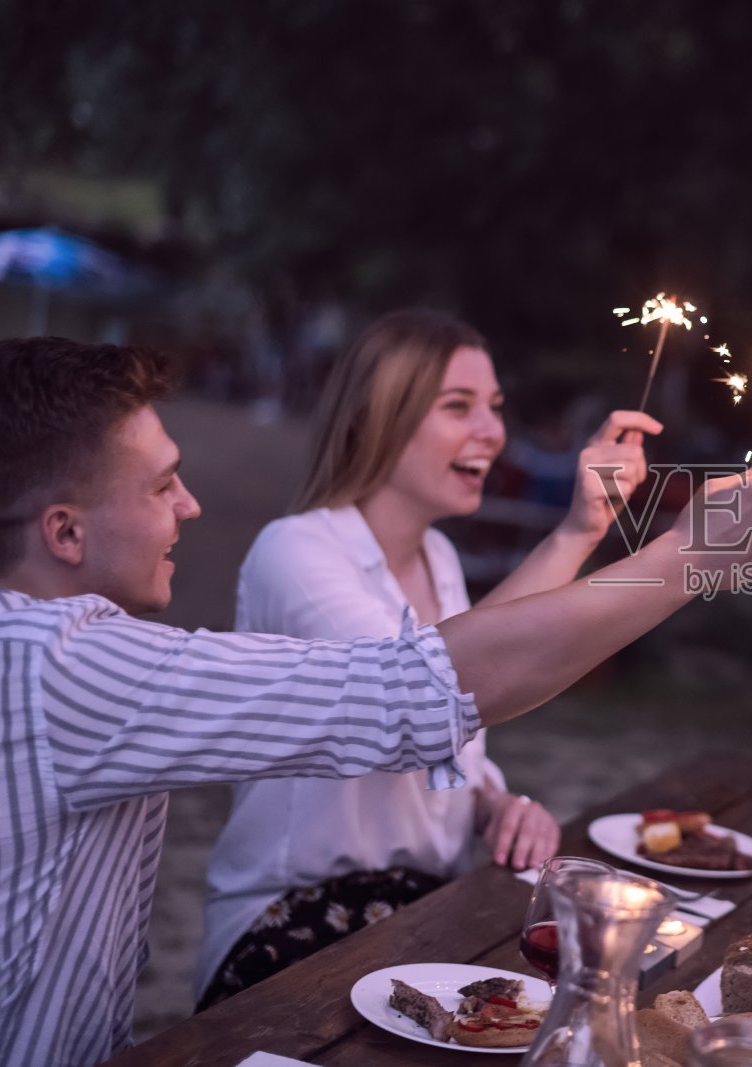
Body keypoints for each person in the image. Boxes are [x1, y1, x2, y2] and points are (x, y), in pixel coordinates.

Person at [0, 336, 752, 1067]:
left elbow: (445, 680)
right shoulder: (60, 665)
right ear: (64, 532)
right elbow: (415, 689)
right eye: (163, 485)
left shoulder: (3, 642)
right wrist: (689, 558)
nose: (192, 504)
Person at [195, 310, 646, 1005]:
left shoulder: (437, 557)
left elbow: (457, 711)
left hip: (418, 910)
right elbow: (420, 697)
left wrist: (494, 802)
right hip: (295, 919)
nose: (492, 431)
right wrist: (626, 549)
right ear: (377, 418)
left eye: (493, 406)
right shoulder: (296, 552)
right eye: (458, 406)